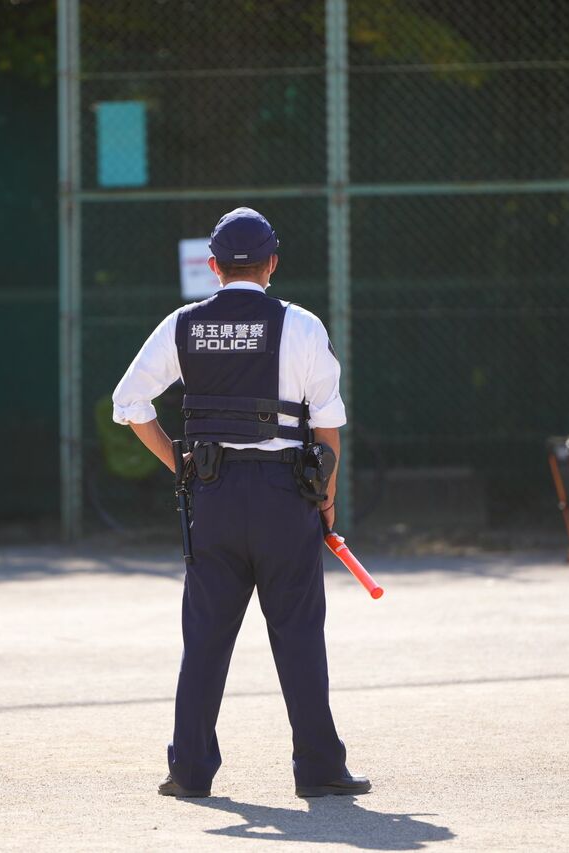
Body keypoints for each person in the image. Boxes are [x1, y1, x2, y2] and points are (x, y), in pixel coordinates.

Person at [111, 208, 370, 799]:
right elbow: (328, 426)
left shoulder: (181, 325)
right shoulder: (302, 326)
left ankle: (190, 771)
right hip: (287, 500)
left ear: (213, 267)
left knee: (204, 639)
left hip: (214, 498)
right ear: (272, 263)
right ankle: (321, 769)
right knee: (300, 636)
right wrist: (324, 502)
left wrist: (179, 461)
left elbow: (130, 404)